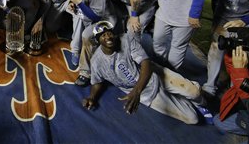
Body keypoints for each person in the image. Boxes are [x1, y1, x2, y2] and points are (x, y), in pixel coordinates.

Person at [82, 21, 210, 125]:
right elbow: (97, 82)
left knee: (195, 92)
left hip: (153, 74)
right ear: (98, 40)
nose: (108, 37)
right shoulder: (96, 62)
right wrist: (92, 97)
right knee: (192, 119)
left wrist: (137, 91)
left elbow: (145, 62)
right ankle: (186, 99)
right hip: (145, 93)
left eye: (110, 33)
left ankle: (199, 103)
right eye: (103, 35)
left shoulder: (126, 39)